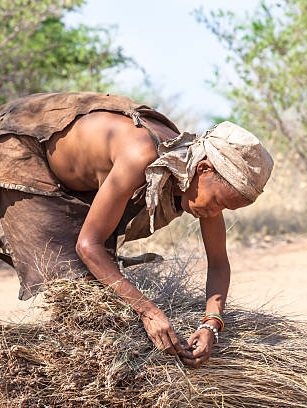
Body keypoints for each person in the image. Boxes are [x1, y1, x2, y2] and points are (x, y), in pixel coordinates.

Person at [0, 92, 273, 368]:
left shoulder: (197, 178)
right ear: (203, 168)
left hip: (80, 180)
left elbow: (218, 263)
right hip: (25, 147)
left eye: (226, 209)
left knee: (104, 281)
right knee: (75, 277)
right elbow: (88, 245)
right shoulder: (141, 156)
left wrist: (211, 325)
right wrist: (147, 311)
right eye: (217, 202)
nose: (216, 214)